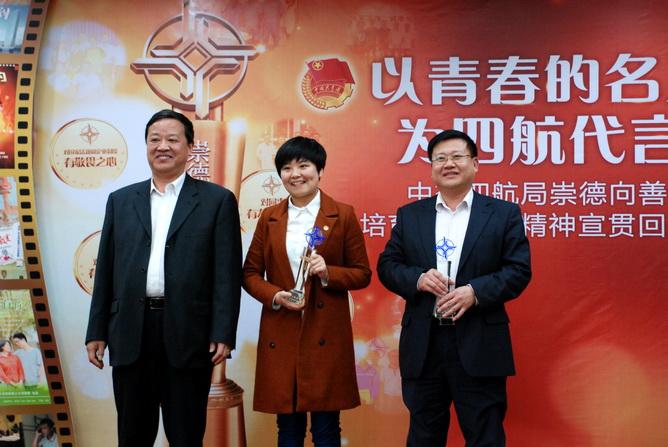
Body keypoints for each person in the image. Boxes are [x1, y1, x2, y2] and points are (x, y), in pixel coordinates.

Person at [85, 109, 242, 447]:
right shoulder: (121, 201)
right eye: (155, 139)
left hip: (189, 333)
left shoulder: (216, 201)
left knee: (186, 435)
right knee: (132, 435)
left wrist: (223, 332)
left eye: (172, 139)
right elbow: (106, 270)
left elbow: (226, 275)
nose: (163, 146)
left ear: (190, 147)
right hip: (131, 330)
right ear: (146, 146)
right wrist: (96, 330)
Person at [377, 129, 531, 447]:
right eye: (440, 158)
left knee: (485, 436)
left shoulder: (503, 213)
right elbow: (388, 266)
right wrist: (418, 279)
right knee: (423, 437)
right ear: (432, 167)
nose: (449, 163)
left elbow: (518, 271)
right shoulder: (410, 215)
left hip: (479, 341)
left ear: (474, 163)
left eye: (457, 156)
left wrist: (475, 291)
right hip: (424, 343)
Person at [242, 136, 371, 446]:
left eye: (304, 165)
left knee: (326, 429)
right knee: (288, 430)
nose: (295, 174)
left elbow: (362, 273)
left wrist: (329, 273)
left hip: (325, 334)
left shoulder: (342, 214)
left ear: (320, 170)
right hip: (282, 330)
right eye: (286, 168)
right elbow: (249, 273)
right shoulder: (269, 218)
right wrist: (275, 296)